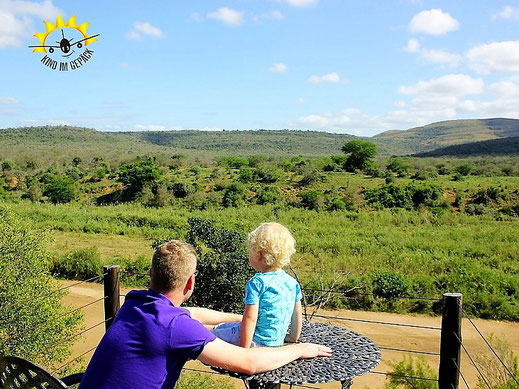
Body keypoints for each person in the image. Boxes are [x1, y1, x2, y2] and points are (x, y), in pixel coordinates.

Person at [78, 240, 331, 389]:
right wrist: (299, 349)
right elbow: (249, 363)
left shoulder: (134, 303)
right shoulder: (177, 328)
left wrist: (237, 319)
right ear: (190, 284)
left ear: (151, 275)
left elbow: (190, 313)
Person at [212, 222, 302, 348]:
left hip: (255, 341)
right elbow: (297, 314)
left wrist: (244, 350)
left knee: (213, 335)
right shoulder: (292, 283)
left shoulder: (257, 283)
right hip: (276, 342)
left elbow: (250, 318)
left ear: (258, 255)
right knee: (224, 327)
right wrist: (293, 337)